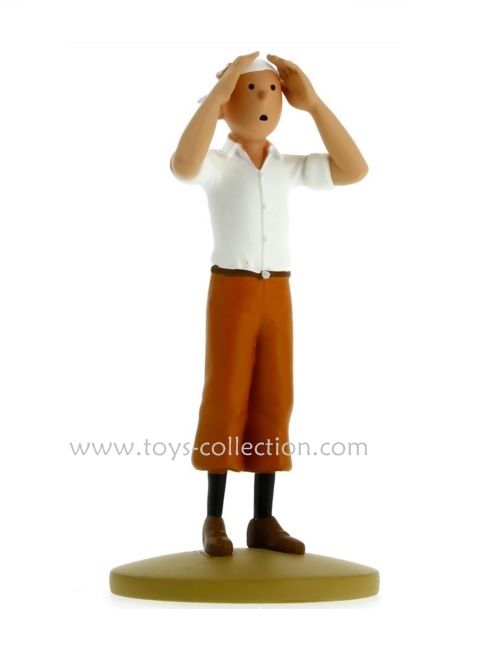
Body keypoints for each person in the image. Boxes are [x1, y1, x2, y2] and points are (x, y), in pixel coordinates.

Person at [171, 52, 368, 556]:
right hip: (232, 289)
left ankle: (263, 519)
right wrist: (216, 98)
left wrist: (315, 104)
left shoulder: (287, 167)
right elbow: (183, 164)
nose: (265, 100)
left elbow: (355, 169)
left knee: (274, 397)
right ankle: (214, 517)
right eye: (251, 90)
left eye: (273, 91)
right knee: (226, 396)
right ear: (225, 103)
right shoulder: (217, 165)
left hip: (277, 291)